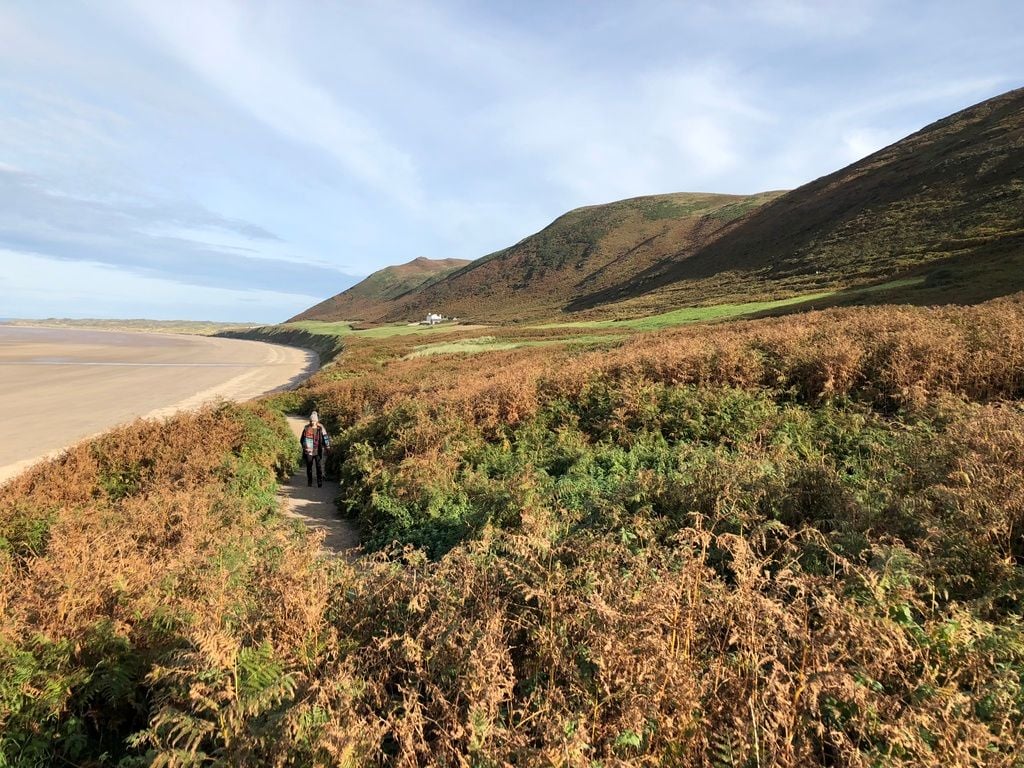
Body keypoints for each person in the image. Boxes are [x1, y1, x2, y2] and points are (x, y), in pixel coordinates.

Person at [299, 411, 331, 487]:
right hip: (309, 451)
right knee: (309, 466)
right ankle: (309, 482)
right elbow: (302, 439)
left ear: (317, 421)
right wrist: (304, 446)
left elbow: (325, 437)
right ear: (310, 421)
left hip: (318, 450)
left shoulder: (321, 428)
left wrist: (327, 446)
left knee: (318, 466)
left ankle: (319, 482)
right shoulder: (306, 428)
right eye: (311, 421)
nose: (313, 422)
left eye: (314, 421)